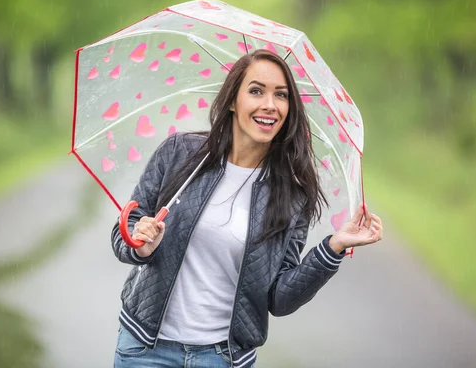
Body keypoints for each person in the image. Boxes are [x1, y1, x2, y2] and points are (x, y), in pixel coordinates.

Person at [111, 49, 383, 368]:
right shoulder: (179, 153)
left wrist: (333, 248)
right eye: (256, 91)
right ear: (232, 100)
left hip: (222, 359)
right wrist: (141, 245)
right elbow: (125, 229)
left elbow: (279, 300)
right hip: (146, 350)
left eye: (281, 95)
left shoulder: (292, 195)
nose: (269, 104)